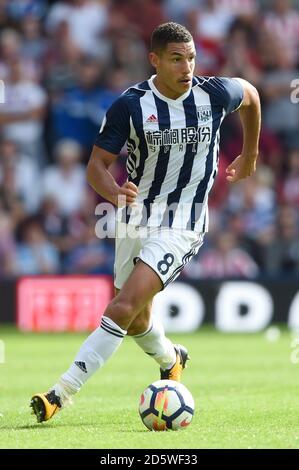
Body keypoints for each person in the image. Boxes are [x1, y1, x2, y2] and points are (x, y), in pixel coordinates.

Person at [30, 22, 261, 422]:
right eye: (176, 59)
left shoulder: (214, 93)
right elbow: (96, 167)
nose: (187, 67)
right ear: (155, 60)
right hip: (135, 219)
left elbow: (252, 97)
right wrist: (114, 192)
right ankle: (172, 359)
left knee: (121, 306)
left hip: (183, 221)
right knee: (137, 318)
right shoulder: (131, 105)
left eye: (191, 57)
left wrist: (251, 155)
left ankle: (59, 393)